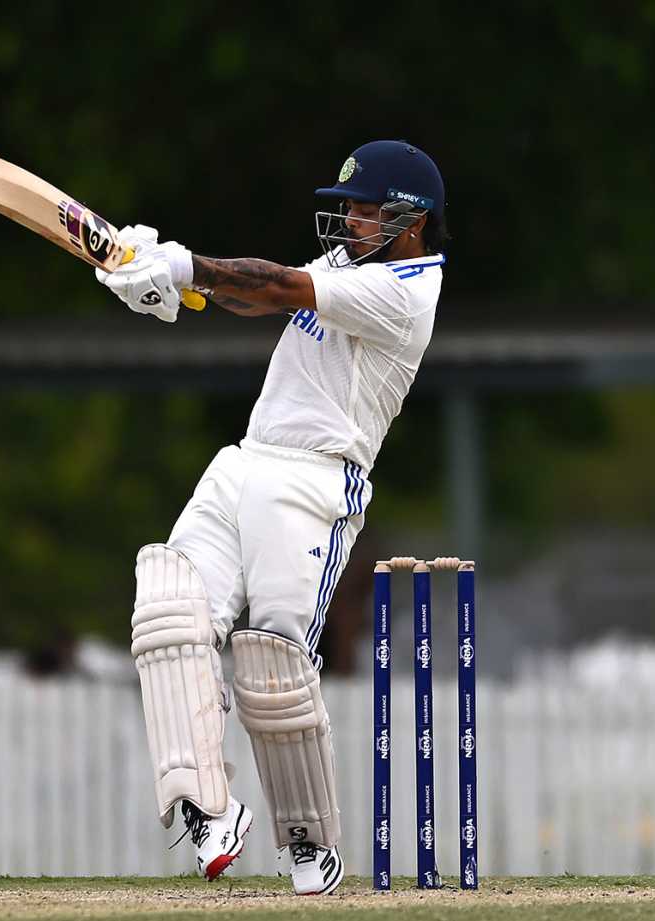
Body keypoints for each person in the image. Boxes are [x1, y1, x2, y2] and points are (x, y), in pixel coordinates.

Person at [96, 140, 447, 894]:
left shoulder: (407, 291)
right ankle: (208, 811)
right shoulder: (347, 267)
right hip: (247, 458)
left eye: (365, 209)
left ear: (412, 220)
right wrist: (176, 284)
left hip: (315, 483)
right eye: (348, 207)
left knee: (273, 663)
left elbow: (282, 285)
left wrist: (187, 265)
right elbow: (263, 295)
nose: (350, 220)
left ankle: (308, 842)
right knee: (169, 609)